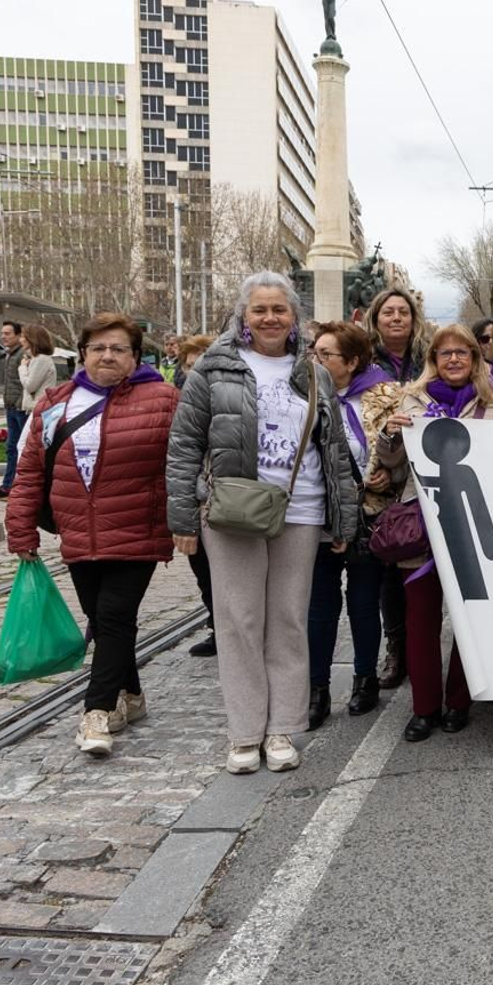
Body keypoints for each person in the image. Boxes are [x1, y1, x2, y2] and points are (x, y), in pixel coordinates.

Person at [167, 271, 357, 776]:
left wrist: (342, 518)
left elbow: (332, 448)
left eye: (279, 309)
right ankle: (245, 732)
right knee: (239, 622)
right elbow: (185, 445)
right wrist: (183, 518)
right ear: (243, 315)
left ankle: (282, 730)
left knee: (289, 623)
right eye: (260, 309)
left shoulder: (313, 374)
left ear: (294, 317)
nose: (270, 318)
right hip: (233, 510)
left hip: (301, 510)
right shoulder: (214, 368)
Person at [5, 314, 178, 756]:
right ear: (81, 354)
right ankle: (133, 697)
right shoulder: (56, 402)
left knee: (115, 617)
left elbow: (185, 463)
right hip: (78, 532)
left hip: (137, 529)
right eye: (98, 347)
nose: (108, 356)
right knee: (102, 620)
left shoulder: (163, 399)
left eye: (119, 348)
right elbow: (29, 471)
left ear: (136, 356)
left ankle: (95, 714)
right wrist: (20, 527)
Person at [377, 324, 493, 742]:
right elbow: (390, 461)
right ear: (434, 360)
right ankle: (424, 708)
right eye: (445, 353)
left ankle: (459, 702)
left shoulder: (491, 407)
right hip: (422, 524)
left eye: (462, 353)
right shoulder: (412, 401)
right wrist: (390, 433)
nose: (453, 360)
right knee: (421, 619)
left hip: (466, 529)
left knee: (471, 619)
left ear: (474, 360)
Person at [306, 320, 399, 727]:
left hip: (368, 514)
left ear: (352, 361)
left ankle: (365, 679)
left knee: (363, 602)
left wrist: (389, 476)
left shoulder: (386, 396)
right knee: (319, 605)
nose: (317, 360)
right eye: (315, 353)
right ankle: (317, 687)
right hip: (319, 515)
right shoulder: (303, 394)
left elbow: (404, 451)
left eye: (326, 354)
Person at [366, 287, 429, 690]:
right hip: (383, 484)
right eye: (387, 312)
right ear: (375, 319)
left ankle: (423, 646)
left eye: (402, 312)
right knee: (389, 571)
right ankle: (396, 648)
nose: (395, 318)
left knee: (421, 574)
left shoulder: (428, 359)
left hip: (423, 481)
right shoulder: (365, 365)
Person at [173, 334, 218, 658]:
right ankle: (218, 626)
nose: (194, 371)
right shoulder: (178, 402)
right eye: (189, 366)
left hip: (226, 502)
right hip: (196, 501)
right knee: (203, 571)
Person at [0, 320, 24, 499]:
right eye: (3, 333)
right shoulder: (10, 354)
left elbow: (25, 383)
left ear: (18, 335)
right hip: (11, 407)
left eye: (8, 333)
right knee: (11, 448)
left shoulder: (23, 355)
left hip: (21, 409)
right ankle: (8, 485)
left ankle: (20, 487)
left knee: (22, 449)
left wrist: (19, 403)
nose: (3, 337)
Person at [368, 287, 431, 383]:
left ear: (413, 320)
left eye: (404, 313)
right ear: (375, 321)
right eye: (388, 313)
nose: (397, 318)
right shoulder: (362, 359)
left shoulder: (430, 358)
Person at [18, 326, 59, 417]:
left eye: (22, 337)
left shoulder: (41, 359)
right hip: (37, 408)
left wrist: (22, 368)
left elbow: (30, 386)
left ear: (32, 339)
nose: (20, 340)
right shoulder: (36, 359)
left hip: (39, 409)